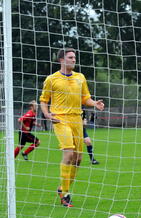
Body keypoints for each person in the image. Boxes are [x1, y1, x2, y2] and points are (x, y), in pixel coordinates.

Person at [40, 48, 105, 207]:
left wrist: (94, 103)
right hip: (60, 120)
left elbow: (85, 98)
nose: (74, 60)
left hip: (77, 119)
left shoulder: (80, 77)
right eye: (70, 57)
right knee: (68, 154)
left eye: (74, 57)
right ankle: (65, 195)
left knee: (78, 159)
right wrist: (48, 115)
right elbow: (43, 100)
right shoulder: (51, 79)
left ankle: (63, 187)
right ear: (61, 60)